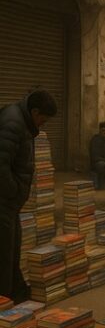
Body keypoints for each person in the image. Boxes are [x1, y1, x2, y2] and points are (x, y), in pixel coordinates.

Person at [0, 89, 57, 303]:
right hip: (4, 200)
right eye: (43, 118)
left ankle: (17, 293)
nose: (44, 124)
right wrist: (14, 190)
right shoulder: (13, 123)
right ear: (34, 112)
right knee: (4, 253)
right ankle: (5, 303)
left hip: (10, 202)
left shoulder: (22, 120)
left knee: (12, 249)